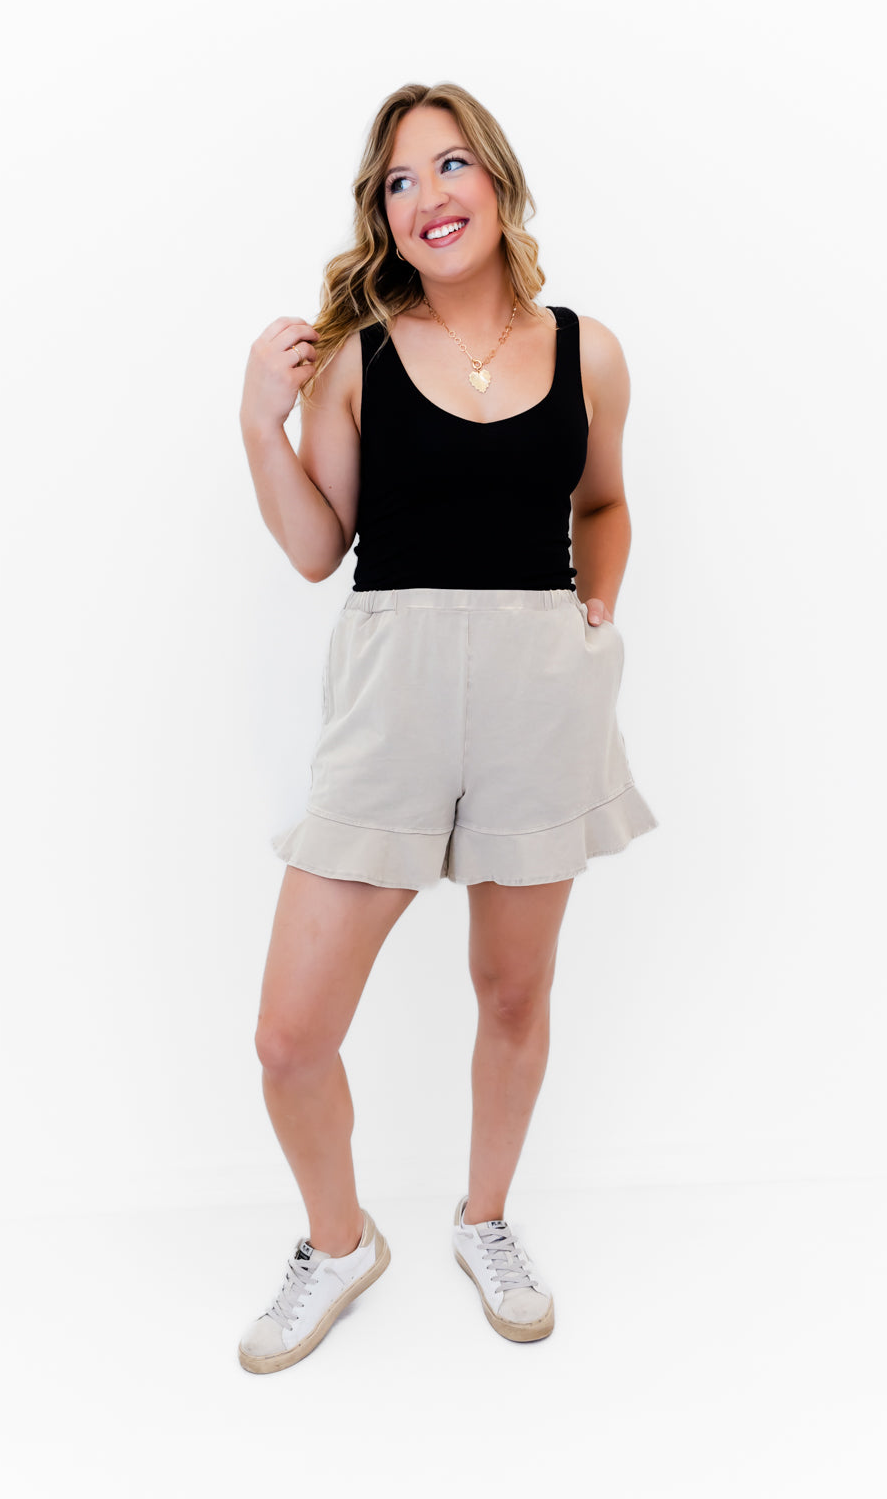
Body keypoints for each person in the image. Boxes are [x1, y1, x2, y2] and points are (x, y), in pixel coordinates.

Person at [235, 82, 658, 1374]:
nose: (429, 195)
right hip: (393, 699)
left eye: (453, 164)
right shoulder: (357, 358)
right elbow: (319, 546)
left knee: (512, 992)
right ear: (383, 215)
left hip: (540, 698)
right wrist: (257, 419)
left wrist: (594, 614)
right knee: (290, 1037)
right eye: (400, 181)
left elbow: (604, 504)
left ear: (500, 182)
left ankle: (486, 1220)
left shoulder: (588, 351)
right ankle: (338, 1242)